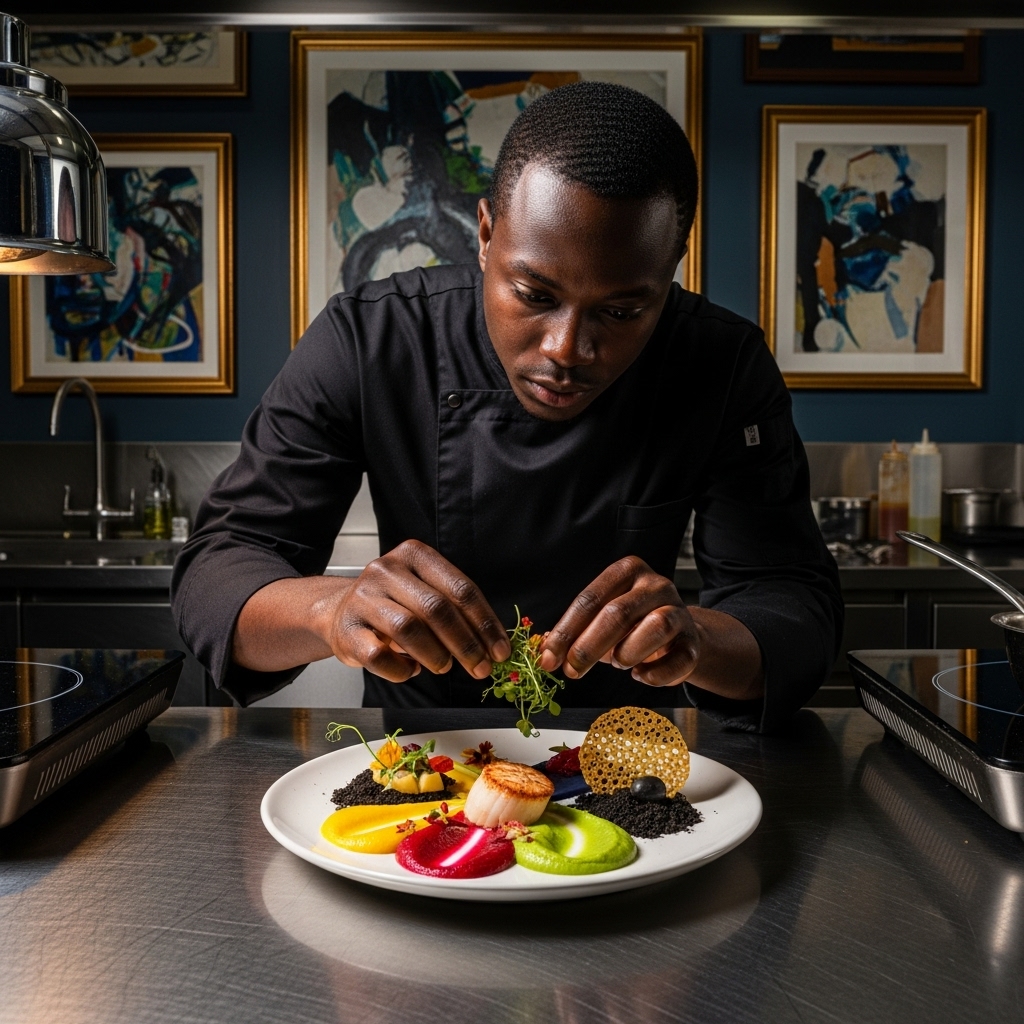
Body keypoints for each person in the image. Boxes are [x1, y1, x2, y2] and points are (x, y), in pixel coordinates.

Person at [171, 81, 842, 732]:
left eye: (621, 310)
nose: (567, 349)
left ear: (672, 266)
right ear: (486, 233)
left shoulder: (722, 363)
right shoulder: (371, 339)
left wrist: (696, 638)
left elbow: (793, 610)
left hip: (630, 771)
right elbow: (215, 576)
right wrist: (332, 608)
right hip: (423, 767)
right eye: (535, 294)